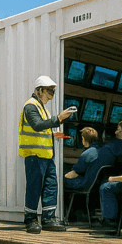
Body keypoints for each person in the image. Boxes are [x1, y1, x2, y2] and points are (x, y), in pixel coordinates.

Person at [19, 76, 77, 234]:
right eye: (49, 90)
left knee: (51, 186)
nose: (52, 93)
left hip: (46, 155)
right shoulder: (30, 106)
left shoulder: (43, 107)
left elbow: (43, 129)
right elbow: (37, 125)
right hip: (34, 155)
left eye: (53, 90)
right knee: (34, 187)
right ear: (38, 91)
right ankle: (30, 219)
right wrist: (58, 118)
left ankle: (48, 218)